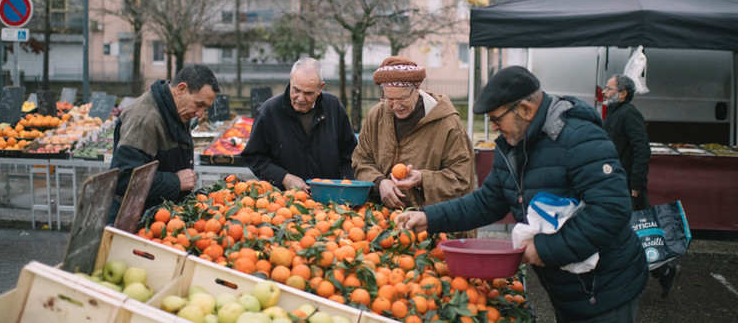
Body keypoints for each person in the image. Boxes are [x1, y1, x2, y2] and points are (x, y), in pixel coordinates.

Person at [396, 66, 648, 323]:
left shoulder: (580, 138)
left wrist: (546, 249)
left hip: (606, 287)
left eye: (497, 119)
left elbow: (612, 210)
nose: (493, 127)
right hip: (568, 287)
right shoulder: (512, 147)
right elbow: (487, 201)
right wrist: (428, 217)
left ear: (526, 109)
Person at [352, 56, 475, 209]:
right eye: (389, 98)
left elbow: (461, 177)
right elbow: (360, 161)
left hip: (432, 221)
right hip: (382, 219)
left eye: (402, 98)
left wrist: (423, 178)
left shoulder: (447, 123)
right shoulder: (375, 116)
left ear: (417, 89)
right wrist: (379, 182)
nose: (396, 106)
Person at [108, 64, 219, 223]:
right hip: (136, 224)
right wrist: (176, 181)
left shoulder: (174, 109)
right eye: (199, 104)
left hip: (160, 217)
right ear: (180, 89)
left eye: (205, 108)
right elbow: (124, 179)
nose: (200, 114)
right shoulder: (144, 120)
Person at [603, 73, 681, 298]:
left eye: (609, 89)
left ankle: (663, 271)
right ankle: (664, 272)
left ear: (623, 93)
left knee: (637, 235)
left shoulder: (629, 114)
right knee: (633, 234)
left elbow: (642, 150)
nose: (605, 93)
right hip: (614, 184)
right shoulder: (613, 114)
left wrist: (636, 184)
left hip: (628, 187)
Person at [242, 57, 356, 191]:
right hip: (284, 203)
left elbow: (351, 153)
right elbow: (254, 156)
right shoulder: (269, 112)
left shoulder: (334, 107)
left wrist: (346, 183)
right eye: (296, 90)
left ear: (320, 88)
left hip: (331, 200)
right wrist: (284, 178)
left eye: (308, 93)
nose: (300, 98)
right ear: (291, 79)